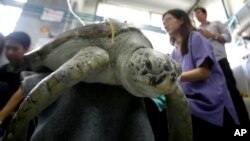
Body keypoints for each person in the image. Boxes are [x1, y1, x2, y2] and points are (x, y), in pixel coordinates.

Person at [162, 9, 241, 141]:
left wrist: (174, 78)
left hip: (210, 99)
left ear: (181, 20)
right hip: (192, 100)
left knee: (237, 132)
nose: (165, 24)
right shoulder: (174, 52)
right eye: (163, 23)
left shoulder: (195, 37)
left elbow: (204, 72)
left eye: (168, 20)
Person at [193, 7, 250, 128]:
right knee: (217, 96)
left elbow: (228, 37)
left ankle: (244, 125)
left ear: (204, 13)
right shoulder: (196, 33)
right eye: (194, 14)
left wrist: (212, 35)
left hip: (220, 60)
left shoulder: (216, 23)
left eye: (198, 12)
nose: (196, 15)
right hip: (206, 66)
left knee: (232, 91)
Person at [0, 31, 31, 136]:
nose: (9, 52)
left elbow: (21, 91)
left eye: (15, 49)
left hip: (16, 122)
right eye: (7, 48)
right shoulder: (4, 69)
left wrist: (1, 117)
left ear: (26, 49)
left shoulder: (31, 71)